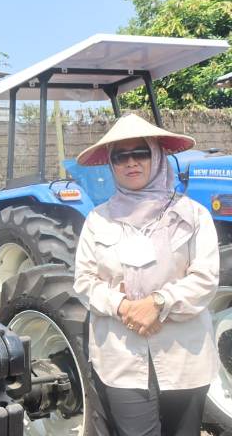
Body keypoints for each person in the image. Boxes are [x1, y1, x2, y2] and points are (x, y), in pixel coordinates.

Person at [72, 113, 219, 436]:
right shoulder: (98, 220)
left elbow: (206, 278)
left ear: (156, 155)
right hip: (121, 358)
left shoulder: (193, 215)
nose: (131, 162)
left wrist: (158, 302)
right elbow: (84, 281)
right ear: (111, 165)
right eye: (120, 156)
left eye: (140, 152)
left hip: (184, 354)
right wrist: (124, 306)